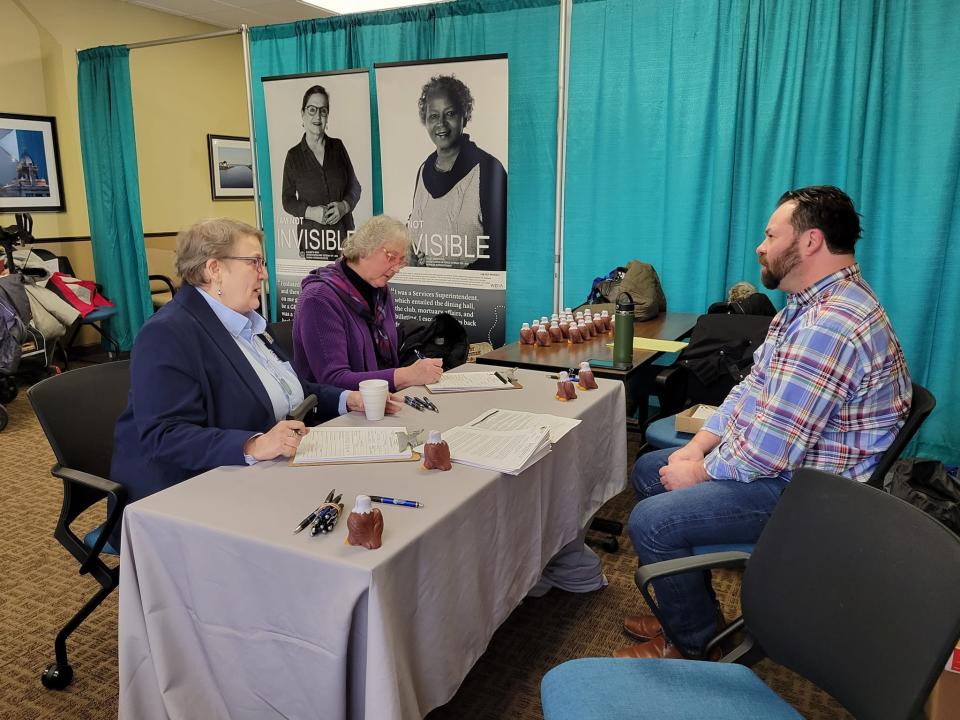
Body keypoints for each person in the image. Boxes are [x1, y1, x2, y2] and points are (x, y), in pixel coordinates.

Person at [615, 186, 912, 660]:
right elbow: (752, 389)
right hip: (796, 467)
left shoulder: (830, 325)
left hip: (816, 495)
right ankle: (690, 613)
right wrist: (698, 447)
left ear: (810, 242)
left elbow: (769, 453)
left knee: (651, 522)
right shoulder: (809, 304)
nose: (760, 245)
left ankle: (695, 646)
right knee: (652, 468)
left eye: (771, 235)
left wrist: (703, 470)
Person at [111, 218, 398, 547]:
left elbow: (292, 390)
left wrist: (347, 399)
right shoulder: (168, 333)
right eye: (254, 263)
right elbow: (164, 436)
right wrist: (252, 445)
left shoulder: (247, 322)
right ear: (214, 269)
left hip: (263, 475)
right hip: (186, 492)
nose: (263, 274)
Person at [293, 215, 444, 391]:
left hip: (381, 403)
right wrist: (406, 375)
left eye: (401, 262)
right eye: (391, 257)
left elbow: (388, 363)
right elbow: (332, 381)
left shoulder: (380, 292)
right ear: (365, 248)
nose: (396, 268)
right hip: (337, 415)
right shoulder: (318, 299)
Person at [408, 74, 506, 271]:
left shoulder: (488, 170)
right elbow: (417, 232)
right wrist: (410, 253)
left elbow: (500, 255)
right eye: (434, 116)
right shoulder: (423, 170)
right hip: (425, 294)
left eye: (450, 114)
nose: (441, 124)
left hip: (470, 298)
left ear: (465, 115)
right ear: (424, 120)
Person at [281, 85, 361, 261]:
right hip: (313, 242)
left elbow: (355, 187)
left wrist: (344, 206)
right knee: (318, 289)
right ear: (302, 114)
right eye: (312, 110)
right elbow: (287, 200)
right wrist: (310, 212)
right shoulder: (293, 156)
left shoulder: (338, 147)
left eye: (323, 111)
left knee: (347, 288)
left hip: (344, 239)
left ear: (327, 116)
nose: (317, 116)